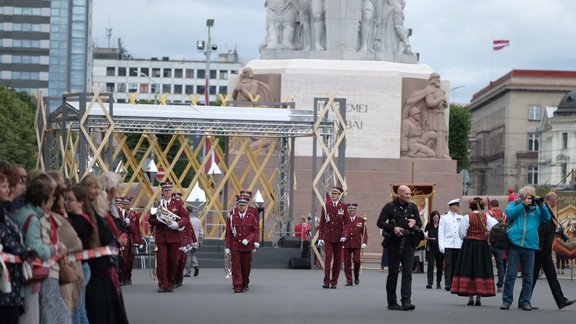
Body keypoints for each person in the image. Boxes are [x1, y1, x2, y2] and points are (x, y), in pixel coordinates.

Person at [80, 173, 129, 324]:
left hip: (105, 267)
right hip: (97, 269)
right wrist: (116, 241)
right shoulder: (95, 213)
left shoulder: (105, 212)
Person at [501, 185, 551, 311]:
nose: (530, 199)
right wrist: (522, 205)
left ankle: (526, 301)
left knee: (528, 276)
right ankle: (506, 301)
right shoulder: (515, 204)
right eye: (527, 197)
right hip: (515, 244)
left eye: (531, 196)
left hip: (530, 245)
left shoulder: (537, 207)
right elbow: (510, 214)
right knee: (511, 275)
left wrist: (542, 205)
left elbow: (547, 218)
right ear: (522, 197)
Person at [377, 185, 422, 311]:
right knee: (393, 274)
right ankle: (392, 302)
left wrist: (415, 222)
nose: (409, 196)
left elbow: (419, 223)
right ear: (400, 194)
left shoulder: (412, 207)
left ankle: (406, 301)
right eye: (406, 194)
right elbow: (380, 222)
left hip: (409, 244)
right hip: (394, 244)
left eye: (410, 193)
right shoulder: (390, 206)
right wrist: (393, 228)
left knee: (407, 273)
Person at [529, 191, 576, 310]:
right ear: (553, 200)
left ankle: (561, 301)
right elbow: (542, 230)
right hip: (541, 249)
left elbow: (549, 229)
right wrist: (540, 246)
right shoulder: (544, 209)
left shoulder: (548, 210)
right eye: (556, 201)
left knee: (550, 276)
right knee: (534, 276)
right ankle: (524, 300)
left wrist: (557, 234)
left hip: (545, 250)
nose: (556, 203)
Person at [451, 197, 497, 306]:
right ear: (482, 206)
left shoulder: (467, 217)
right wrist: (487, 234)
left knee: (469, 268)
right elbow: (496, 227)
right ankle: (479, 298)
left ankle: (470, 298)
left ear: (471, 206)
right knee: (481, 268)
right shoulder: (487, 217)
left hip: (469, 245)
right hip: (482, 246)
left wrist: (469, 237)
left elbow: (461, 233)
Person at [149, 181, 192, 292]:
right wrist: (158, 220)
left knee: (173, 261)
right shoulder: (157, 204)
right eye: (165, 190)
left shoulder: (177, 204)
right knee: (162, 261)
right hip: (161, 237)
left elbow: (185, 218)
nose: (167, 191)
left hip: (174, 237)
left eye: (169, 190)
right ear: (162, 192)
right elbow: (151, 220)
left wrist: (178, 224)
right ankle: (163, 285)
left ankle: (171, 281)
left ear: (172, 191)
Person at [0, 161, 29, 324]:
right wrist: (26, 252)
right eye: (3, 184)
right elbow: (7, 239)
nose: (8, 188)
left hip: (11, 289)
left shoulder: (5, 213)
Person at [224, 194, 260, 293]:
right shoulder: (232, 217)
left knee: (246, 266)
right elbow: (229, 232)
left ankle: (245, 283)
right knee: (236, 266)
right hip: (235, 245)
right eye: (239, 205)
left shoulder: (252, 217)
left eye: (243, 205)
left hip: (247, 245)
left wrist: (250, 239)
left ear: (247, 205)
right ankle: (237, 285)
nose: (241, 207)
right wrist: (227, 245)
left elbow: (255, 230)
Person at [317, 186, 349, 289]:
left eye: (335, 194)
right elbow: (322, 223)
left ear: (340, 195)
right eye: (332, 194)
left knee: (337, 260)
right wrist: (320, 237)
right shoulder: (326, 206)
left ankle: (334, 282)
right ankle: (326, 281)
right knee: (328, 259)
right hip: (328, 237)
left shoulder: (343, 207)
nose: (333, 196)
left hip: (339, 238)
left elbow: (347, 222)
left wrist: (344, 235)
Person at [438, 198, 463, 291]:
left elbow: (462, 231)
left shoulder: (461, 217)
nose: (459, 207)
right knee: (448, 264)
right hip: (448, 244)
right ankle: (448, 283)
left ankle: (455, 283)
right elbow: (441, 232)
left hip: (458, 244)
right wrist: (441, 245)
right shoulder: (444, 217)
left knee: (456, 264)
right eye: (457, 205)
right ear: (452, 206)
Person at [342, 203, 368, 286]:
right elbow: (342, 230)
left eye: (352, 210)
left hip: (356, 244)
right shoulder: (345, 220)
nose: (351, 212)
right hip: (346, 243)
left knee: (357, 261)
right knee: (347, 263)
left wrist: (364, 242)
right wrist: (342, 238)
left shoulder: (360, 220)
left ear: (355, 211)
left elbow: (364, 233)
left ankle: (356, 276)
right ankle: (349, 280)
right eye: (349, 210)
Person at [486, 199, 507, 293]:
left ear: (490, 205)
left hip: (490, 241)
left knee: (487, 263)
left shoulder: (488, 213)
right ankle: (500, 285)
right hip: (500, 243)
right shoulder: (504, 214)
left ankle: (487, 284)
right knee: (501, 265)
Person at [424, 210, 443, 289]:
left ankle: (438, 282)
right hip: (430, 247)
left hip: (439, 248)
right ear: (432, 218)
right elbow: (425, 234)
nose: (436, 219)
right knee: (430, 265)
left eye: (437, 218)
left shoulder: (441, 225)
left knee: (439, 266)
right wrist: (426, 237)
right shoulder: (429, 225)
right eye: (434, 218)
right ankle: (430, 282)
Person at [184, 205, 204, 277]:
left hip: (188, 241)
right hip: (196, 241)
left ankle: (188, 272)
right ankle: (196, 265)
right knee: (193, 255)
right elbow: (201, 232)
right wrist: (200, 241)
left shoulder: (186, 220)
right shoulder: (198, 220)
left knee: (188, 256)